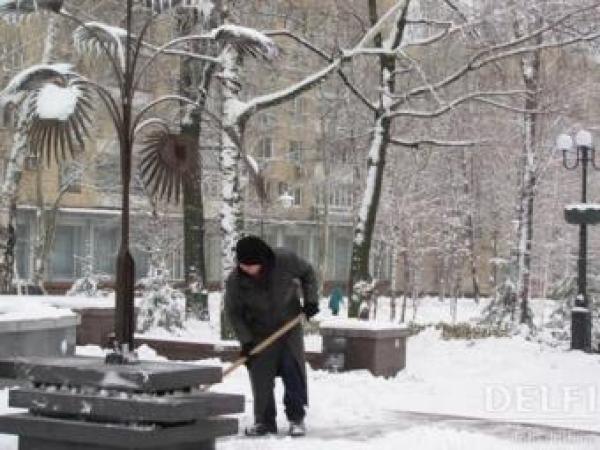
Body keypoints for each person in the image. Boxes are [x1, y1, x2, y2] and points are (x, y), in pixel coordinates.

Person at [224, 235, 319, 437]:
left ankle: (296, 418)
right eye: (243, 265)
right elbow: (234, 313)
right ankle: (264, 422)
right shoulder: (235, 281)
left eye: (252, 265)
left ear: (263, 259)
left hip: (288, 329)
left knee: (292, 372)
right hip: (259, 334)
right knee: (261, 379)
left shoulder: (285, 260)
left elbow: (308, 273)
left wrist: (311, 301)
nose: (247, 269)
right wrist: (246, 341)